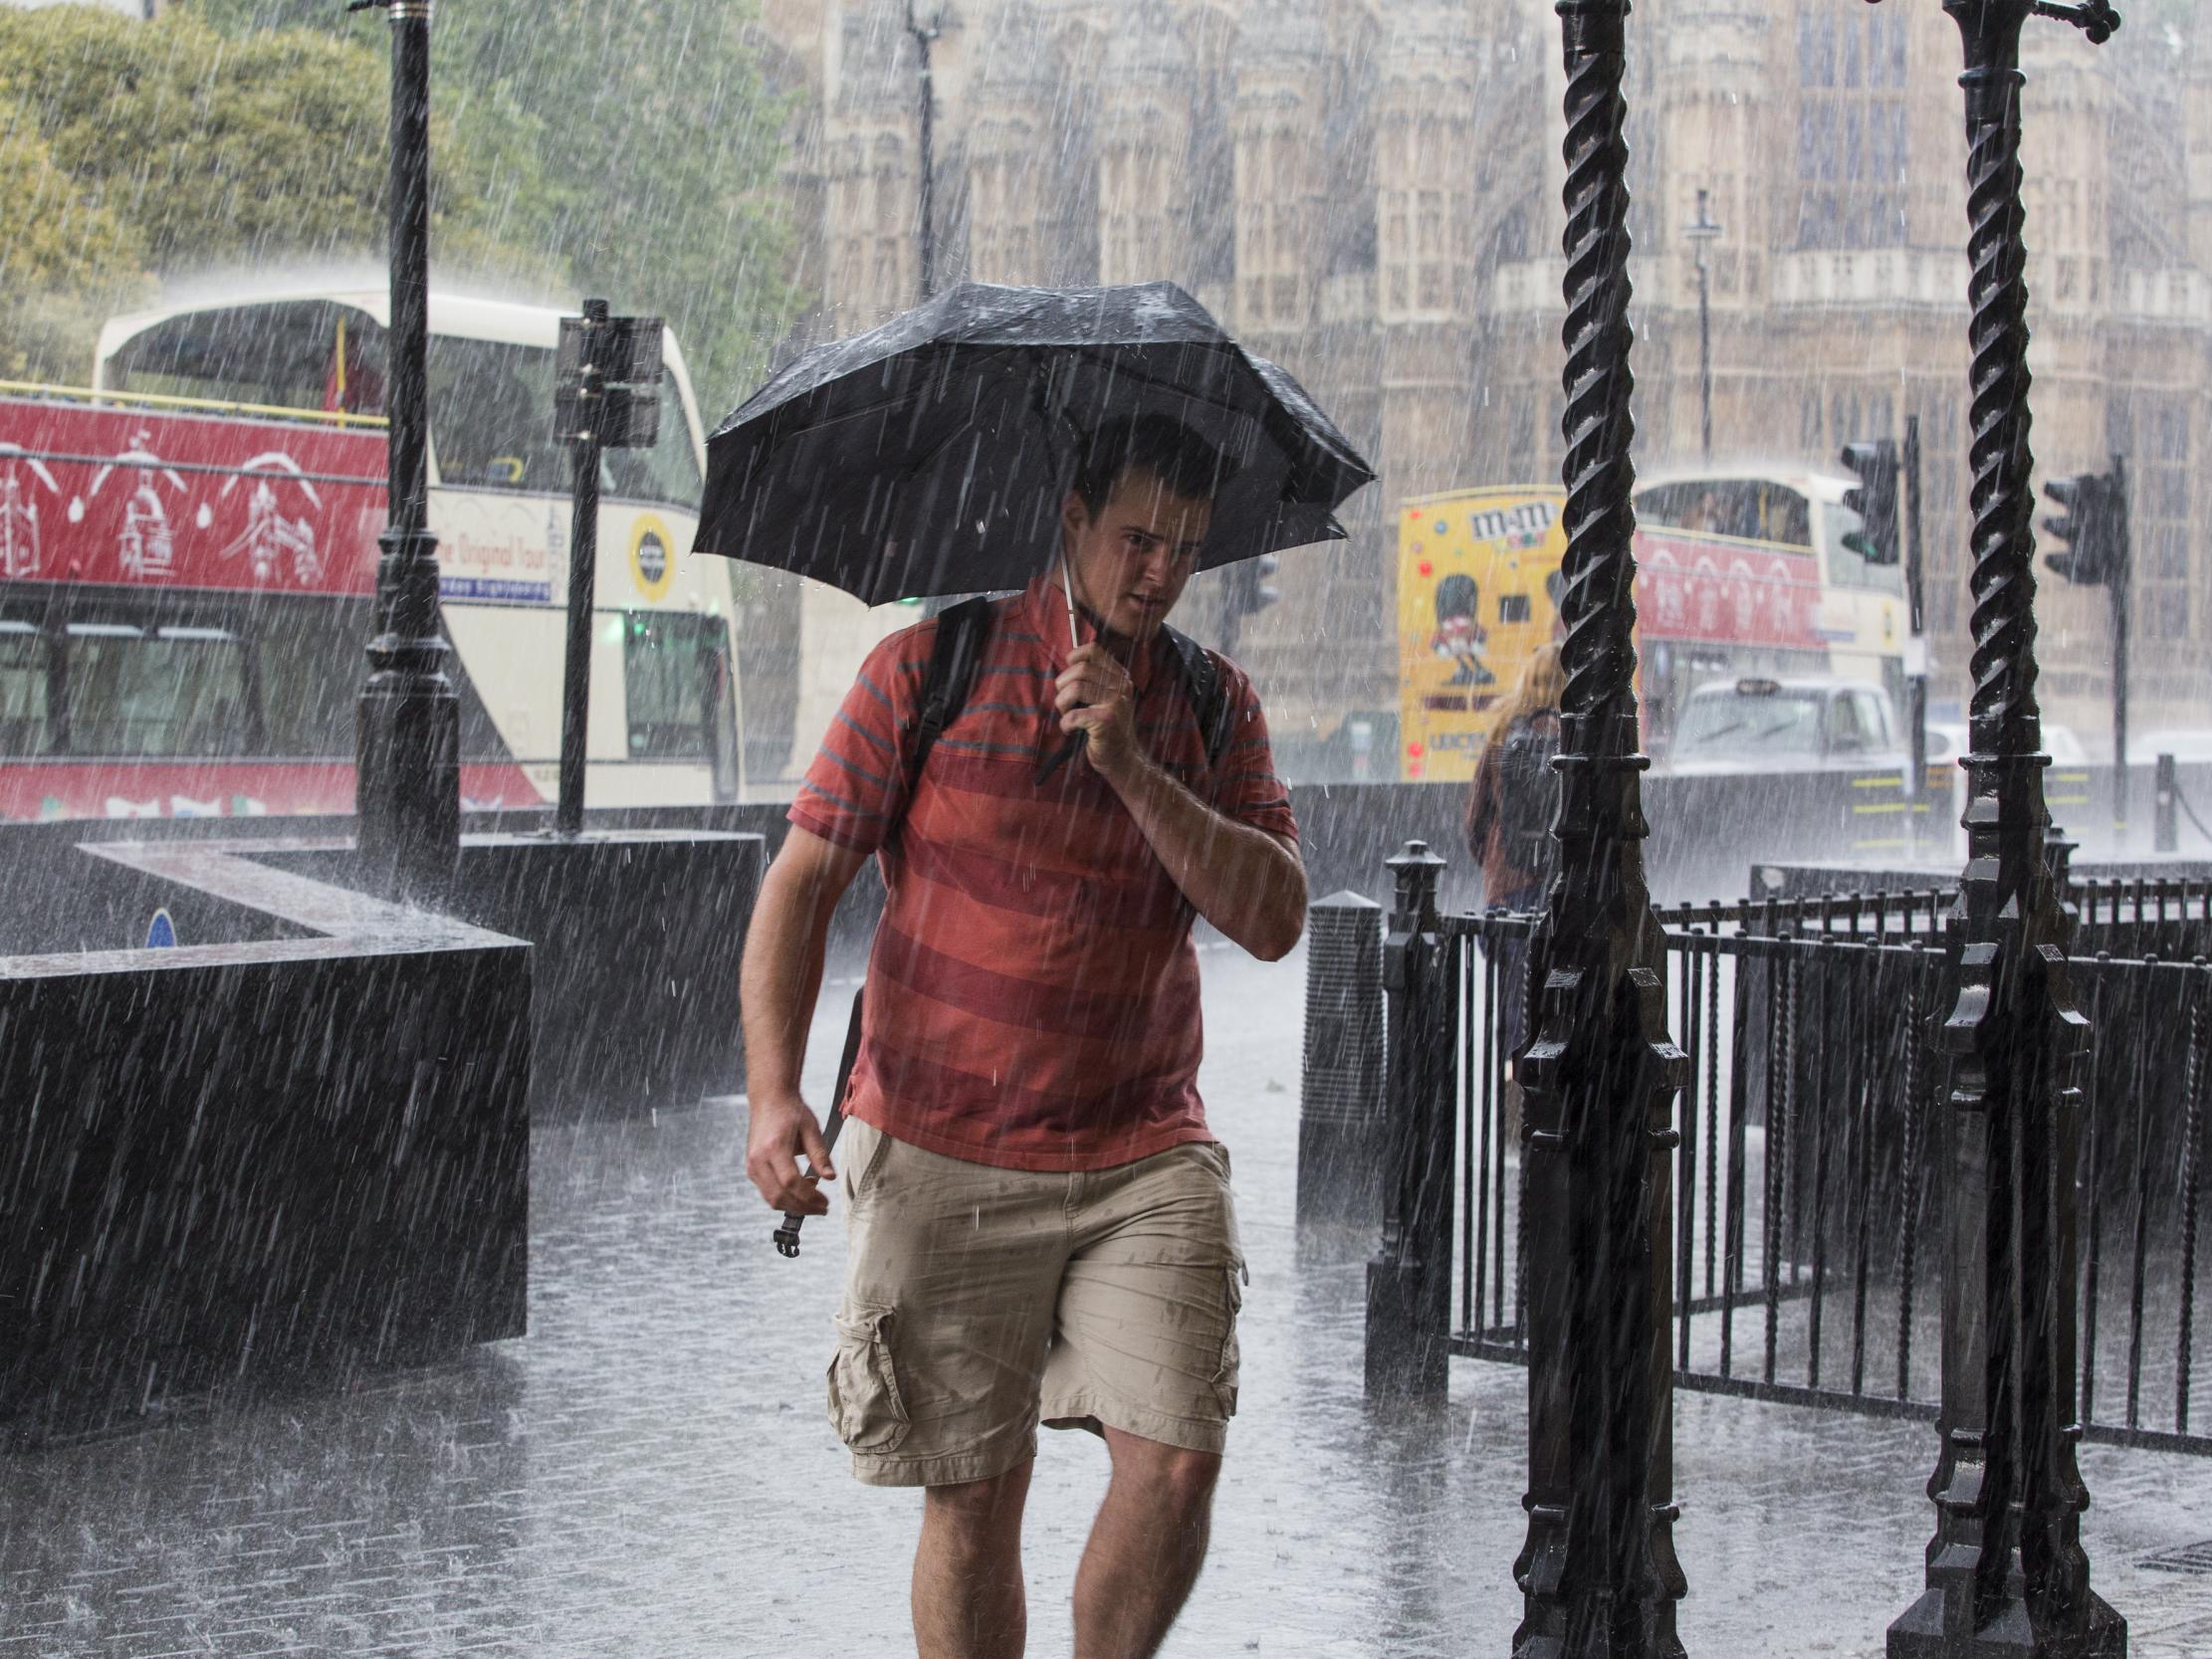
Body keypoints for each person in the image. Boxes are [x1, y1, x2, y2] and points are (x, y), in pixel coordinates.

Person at [740, 412, 1306, 1659]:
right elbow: (801, 882)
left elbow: (1272, 916)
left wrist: (1134, 765)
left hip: (1141, 1145)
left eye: (1184, 549)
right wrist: (772, 1092)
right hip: (943, 1134)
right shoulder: (927, 668)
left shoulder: (1211, 707)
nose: (1156, 572)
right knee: (973, 1486)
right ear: (1070, 518)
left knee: (1173, 1463)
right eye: (1134, 538)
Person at [1462, 642, 1565, 1069]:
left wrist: (1496, 859)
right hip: (1559, 892)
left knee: (1513, 1010)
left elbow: (1474, 822)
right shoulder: (1579, 738)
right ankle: (1558, 1107)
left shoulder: (1504, 736)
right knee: (1560, 1005)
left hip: (1507, 893)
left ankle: (1514, 1102)